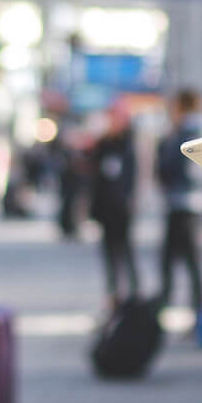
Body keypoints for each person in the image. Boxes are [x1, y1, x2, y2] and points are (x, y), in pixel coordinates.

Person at [153, 88, 202, 320]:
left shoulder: (190, 130)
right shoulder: (197, 129)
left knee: (185, 261)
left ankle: (193, 314)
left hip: (186, 203)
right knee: (185, 261)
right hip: (185, 203)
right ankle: (191, 313)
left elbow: (186, 169)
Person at [88, 102, 140, 307]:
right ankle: (113, 297)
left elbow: (132, 176)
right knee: (109, 254)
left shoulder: (129, 143)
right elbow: (92, 173)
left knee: (125, 252)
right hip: (105, 208)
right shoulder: (103, 144)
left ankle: (134, 298)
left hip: (121, 208)